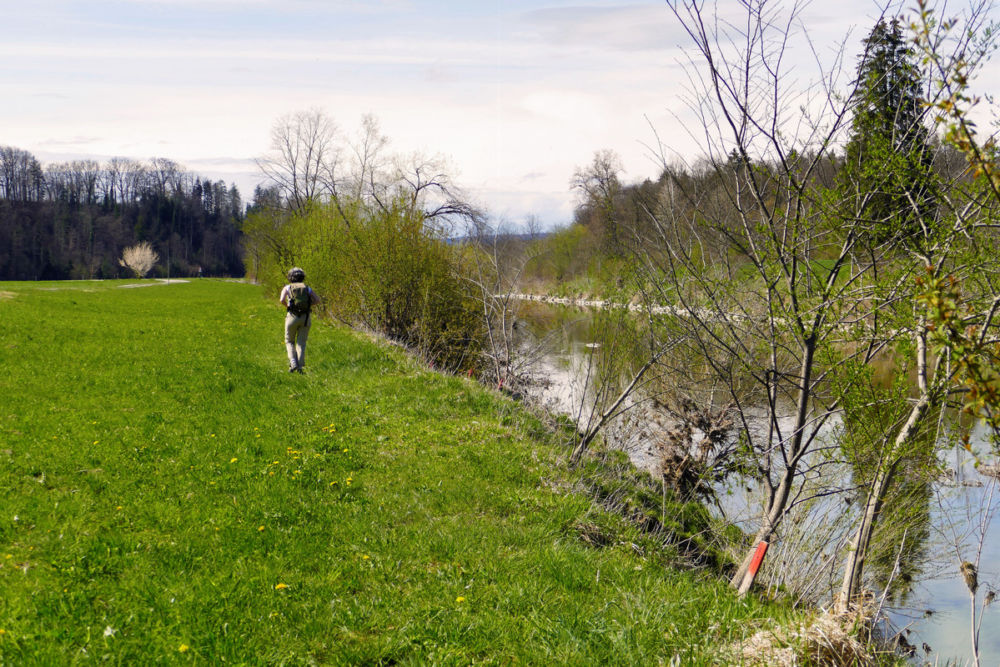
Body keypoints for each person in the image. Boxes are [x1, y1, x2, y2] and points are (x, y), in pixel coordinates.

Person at [278, 267, 321, 373]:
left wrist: (288, 306)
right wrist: (308, 305)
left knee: (289, 341)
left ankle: (293, 362)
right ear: (302, 277)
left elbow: (281, 300)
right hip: (305, 318)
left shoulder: (288, 287)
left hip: (292, 317)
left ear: (290, 277)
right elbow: (317, 300)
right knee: (301, 343)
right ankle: (300, 367)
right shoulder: (307, 288)